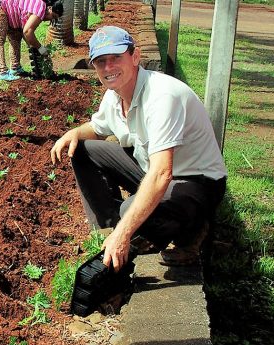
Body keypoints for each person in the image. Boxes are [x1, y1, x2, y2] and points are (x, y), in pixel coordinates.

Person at [50, 26, 227, 271]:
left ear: (135, 57)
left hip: (196, 182)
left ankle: (191, 233)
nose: (108, 68)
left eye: (116, 58)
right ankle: (109, 231)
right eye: (101, 62)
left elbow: (162, 174)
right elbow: (98, 128)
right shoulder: (115, 96)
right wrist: (73, 133)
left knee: (128, 209)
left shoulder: (162, 97)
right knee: (81, 149)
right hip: (152, 169)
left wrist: (125, 231)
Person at [0, 0, 63, 81]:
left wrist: (38, 52)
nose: (50, 19)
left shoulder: (40, 7)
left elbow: (27, 36)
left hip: (12, 14)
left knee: (16, 38)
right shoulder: (41, 8)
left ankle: (15, 68)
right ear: (49, 8)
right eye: (53, 16)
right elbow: (27, 32)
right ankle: (2, 72)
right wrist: (41, 49)